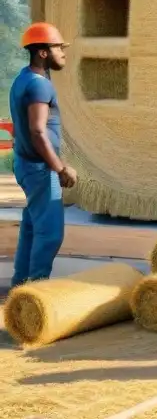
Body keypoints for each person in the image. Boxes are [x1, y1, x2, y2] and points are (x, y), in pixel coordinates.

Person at [9, 22, 77, 288]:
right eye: (59, 47)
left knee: (31, 227)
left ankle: (20, 286)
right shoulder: (40, 85)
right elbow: (38, 131)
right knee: (50, 233)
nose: (64, 52)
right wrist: (60, 168)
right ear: (43, 53)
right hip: (39, 169)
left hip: (26, 163)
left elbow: (23, 129)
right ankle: (35, 291)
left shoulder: (22, 79)